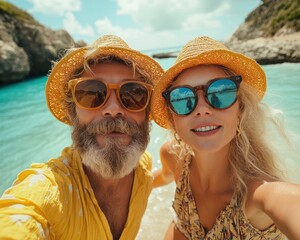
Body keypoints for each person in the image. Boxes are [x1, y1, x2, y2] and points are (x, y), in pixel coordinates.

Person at [0, 35, 164, 240]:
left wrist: (174, 170)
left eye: (133, 94)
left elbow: (151, 179)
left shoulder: (142, 167)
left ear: (147, 112)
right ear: (72, 112)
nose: (113, 110)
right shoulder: (48, 191)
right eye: (91, 92)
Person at [151, 36, 300, 239]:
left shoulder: (260, 196)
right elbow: (159, 177)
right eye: (183, 98)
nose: (202, 109)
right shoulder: (173, 156)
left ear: (240, 110)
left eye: (220, 92)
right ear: (173, 119)